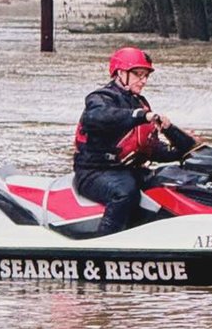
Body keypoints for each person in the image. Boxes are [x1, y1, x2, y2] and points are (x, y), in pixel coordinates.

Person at [72, 46, 173, 237]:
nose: (143, 81)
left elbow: (149, 147)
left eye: (145, 76)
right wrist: (142, 115)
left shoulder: (139, 102)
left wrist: (182, 150)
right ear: (120, 73)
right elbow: (98, 117)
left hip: (126, 169)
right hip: (94, 172)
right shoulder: (101, 98)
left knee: (165, 183)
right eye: (138, 74)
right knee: (125, 192)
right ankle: (104, 245)